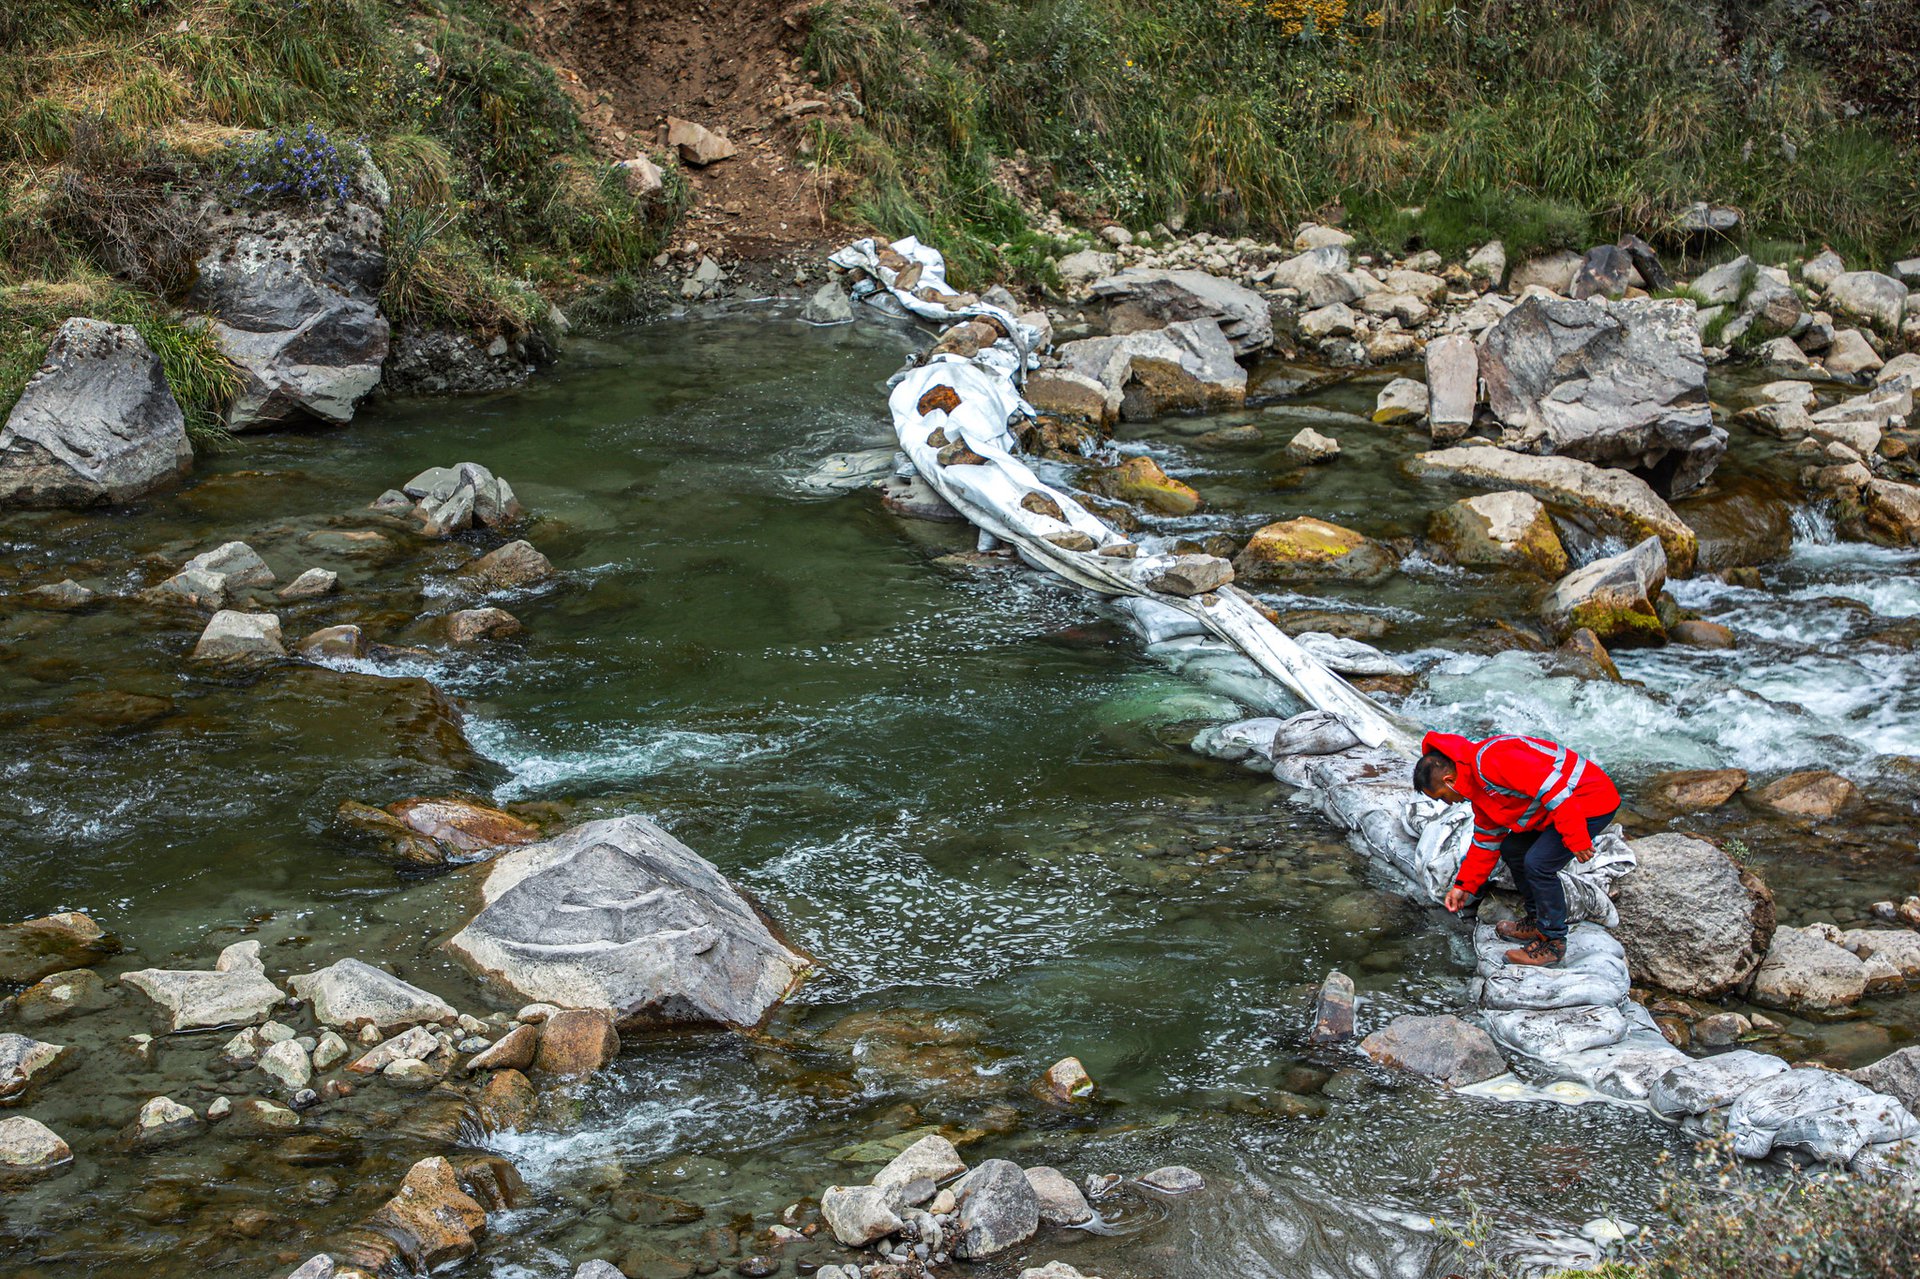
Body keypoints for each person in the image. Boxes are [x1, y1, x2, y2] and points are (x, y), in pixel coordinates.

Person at [1412, 730, 1621, 967]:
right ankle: (1537, 920)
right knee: (1513, 848)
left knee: (1539, 863)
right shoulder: (1479, 791)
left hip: (1589, 800)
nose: (1447, 803)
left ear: (1449, 780)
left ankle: (1553, 942)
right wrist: (1464, 886)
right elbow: (1486, 841)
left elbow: (1556, 791)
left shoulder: (1493, 760)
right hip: (1557, 810)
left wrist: (1577, 839)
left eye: (1442, 796)